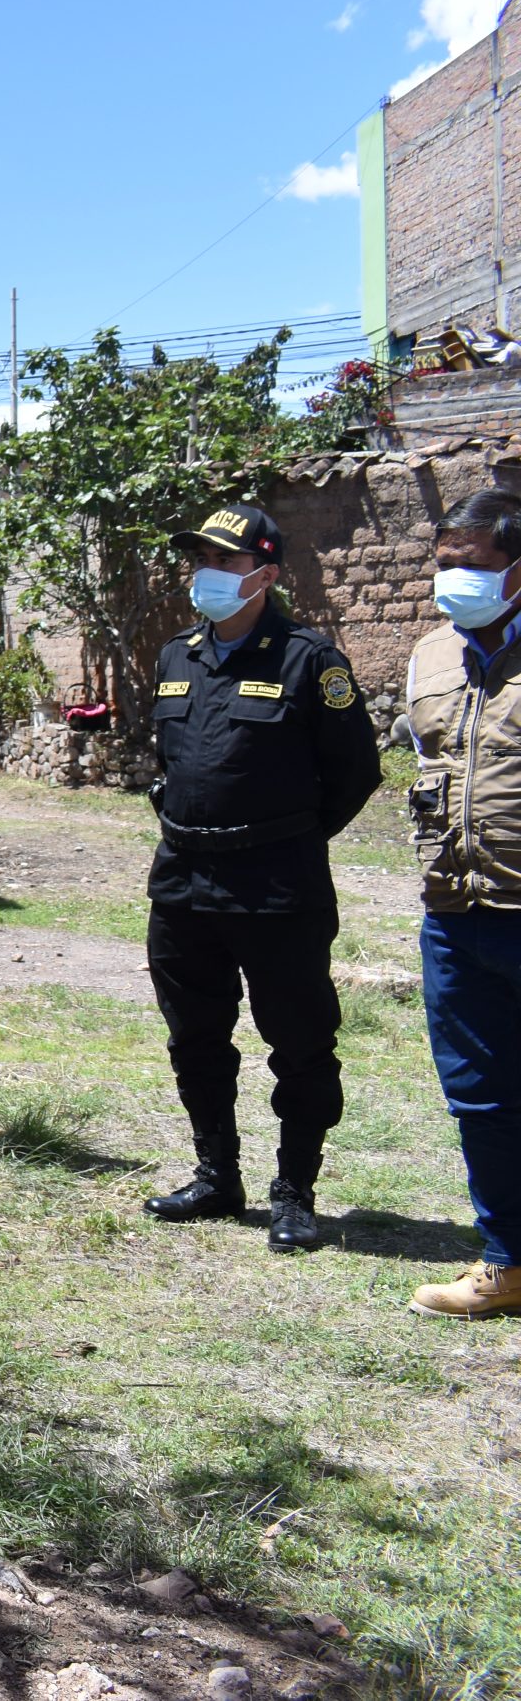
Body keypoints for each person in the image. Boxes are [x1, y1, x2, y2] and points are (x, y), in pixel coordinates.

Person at [139, 503, 380, 1253]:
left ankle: (295, 1190)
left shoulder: (311, 660)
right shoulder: (178, 654)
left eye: (223, 560)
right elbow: (170, 767)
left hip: (278, 883)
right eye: (197, 559)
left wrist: (286, 838)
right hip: (183, 878)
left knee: (300, 1042)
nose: (202, 574)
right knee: (195, 1037)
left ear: (266, 574)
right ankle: (218, 1175)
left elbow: (355, 774)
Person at [399, 493, 521, 1314]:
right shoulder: (430, 657)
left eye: (471, 563)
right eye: (445, 562)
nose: (453, 578)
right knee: (480, 1094)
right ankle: (506, 1262)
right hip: (454, 914)